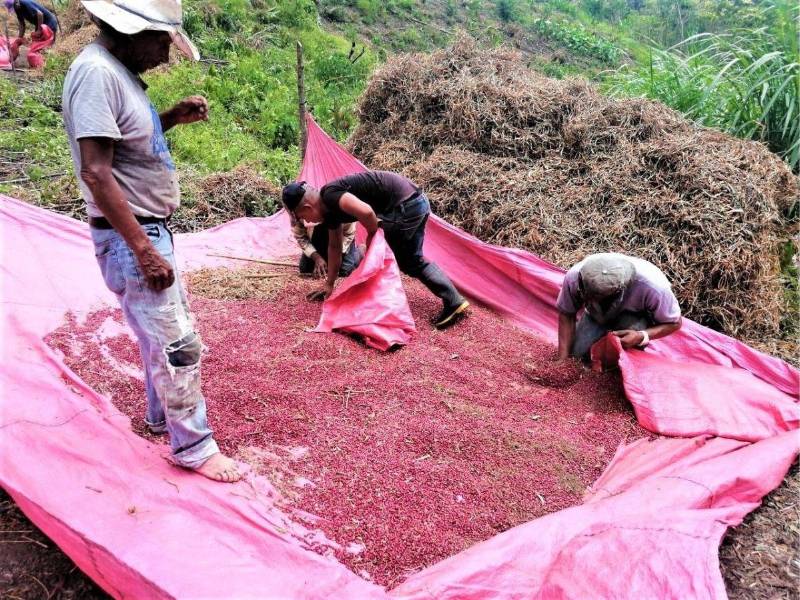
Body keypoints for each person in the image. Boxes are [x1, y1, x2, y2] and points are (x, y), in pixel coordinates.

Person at [62, 0, 240, 483]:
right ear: (131, 30)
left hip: (146, 231)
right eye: (162, 42)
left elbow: (125, 142)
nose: (165, 55)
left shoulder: (116, 73)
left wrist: (171, 118)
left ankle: (161, 417)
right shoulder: (96, 74)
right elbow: (97, 172)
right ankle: (195, 448)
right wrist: (143, 248)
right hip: (133, 235)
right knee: (176, 343)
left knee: (156, 334)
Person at [282, 171, 469, 329]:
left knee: (384, 260)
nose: (307, 222)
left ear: (307, 207)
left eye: (302, 217)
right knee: (411, 260)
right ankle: (454, 301)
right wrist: (330, 283)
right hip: (416, 202)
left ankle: (377, 309)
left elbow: (367, 213)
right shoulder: (329, 212)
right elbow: (334, 247)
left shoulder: (330, 194)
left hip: (404, 206)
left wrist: (372, 237)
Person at [556, 253, 682, 360]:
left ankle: (628, 348)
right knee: (577, 355)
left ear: (618, 292)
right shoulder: (575, 278)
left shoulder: (654, 288)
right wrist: (562, 360)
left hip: (634, 317)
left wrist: (641, 336)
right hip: (595, 316)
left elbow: (675, 323)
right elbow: (566, 313)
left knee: (616, 361)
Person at [290, 214, 361, 279]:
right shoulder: (300, 213)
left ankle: (359, 252)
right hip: (317, 241)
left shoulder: (344, 212)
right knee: (305, 269)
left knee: (345, 271)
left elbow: (348, 235)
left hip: (342, 241)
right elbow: (300, 237)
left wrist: (333, 260)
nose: (308, 221)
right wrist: (316, 257)